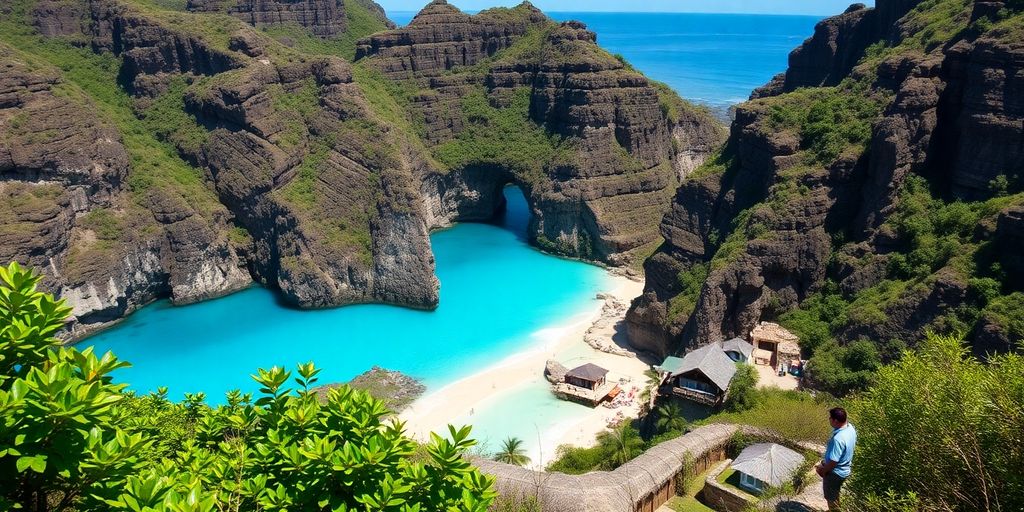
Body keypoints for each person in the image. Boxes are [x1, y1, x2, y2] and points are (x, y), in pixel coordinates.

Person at [815, 407, 856, 511]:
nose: (829, 419)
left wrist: (823, 470)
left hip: (835, 473)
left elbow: (834, 461)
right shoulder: (850, 428)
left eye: (830, 418)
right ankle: (835, 509)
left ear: (836, 420)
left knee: (831, 498)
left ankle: (834, 510)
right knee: (835, 493)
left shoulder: (838, 439)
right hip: (845, 469)